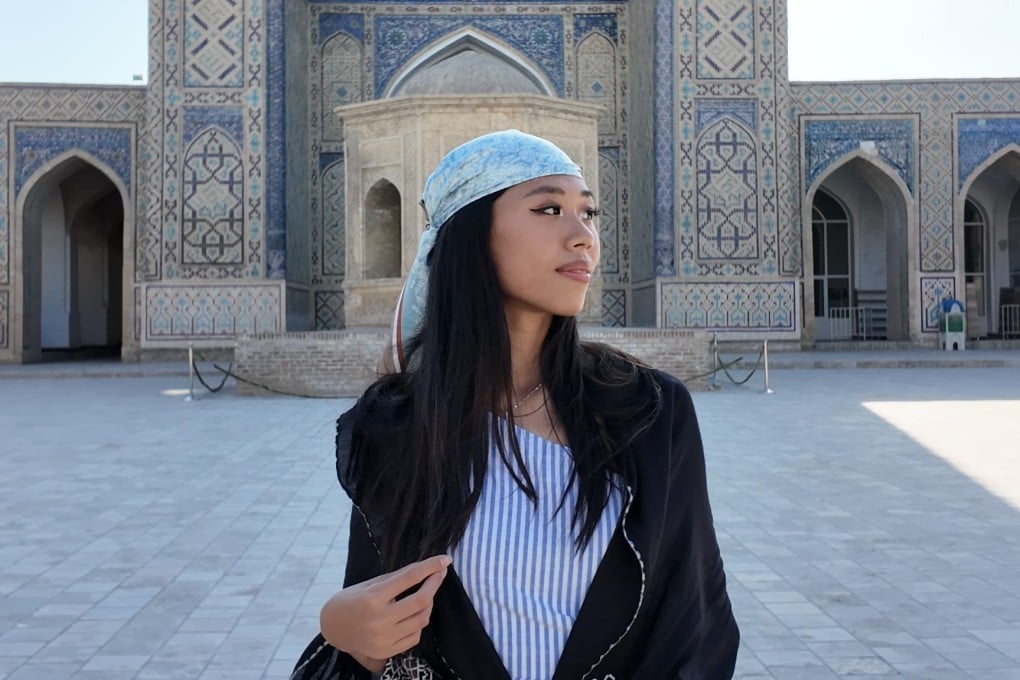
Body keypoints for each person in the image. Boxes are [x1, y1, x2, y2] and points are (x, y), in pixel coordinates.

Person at [291, 130, 739, 680]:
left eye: (588, 213)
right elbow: (387, 628)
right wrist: (350, 638)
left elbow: (694, 626)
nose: (584, 238)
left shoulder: (646, 411)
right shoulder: (395, 424)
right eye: (550, 209)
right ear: (473, 236)